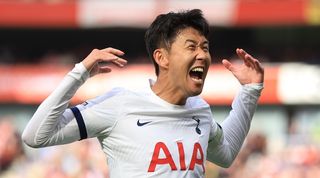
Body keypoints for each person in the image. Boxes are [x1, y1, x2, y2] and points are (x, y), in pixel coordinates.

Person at [22, 9, 264, 178]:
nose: (202, 55)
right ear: (162, 57)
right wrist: (80, 73)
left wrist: (250, 92)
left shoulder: (200, 111)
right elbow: (35, 136)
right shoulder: (119, 105)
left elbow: (226, 153)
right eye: (191, 46)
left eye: (205, 47)